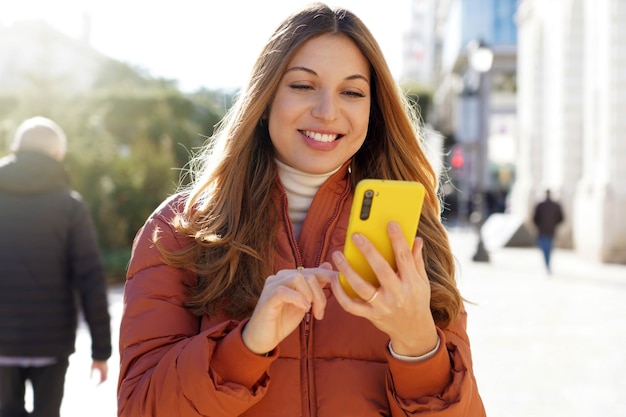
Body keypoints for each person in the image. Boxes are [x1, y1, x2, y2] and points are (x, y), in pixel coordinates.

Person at [117, 3, 485, 416]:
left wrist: (419, 345)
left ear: (373, 110)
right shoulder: (179, 230)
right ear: (266, 95)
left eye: (352, 92)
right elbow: (139, 408)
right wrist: (247, 347)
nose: (327, 111)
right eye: (303, 86)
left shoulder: (412, 232)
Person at [0, 117, 112, 417]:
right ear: (57, 155)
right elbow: (90, 279)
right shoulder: (69, 206)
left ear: (15, 149)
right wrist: (101, 350)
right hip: (52, 342)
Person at [532, 189, 564, 274]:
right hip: (551, 230)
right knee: (549, 249)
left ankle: (547, 264)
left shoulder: (540, 205)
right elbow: (561, 218)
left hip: (542, 231)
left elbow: (535, 218)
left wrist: (539, 226)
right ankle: (547, 264)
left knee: (544, 248)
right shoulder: (555, 205)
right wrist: (554, 224)